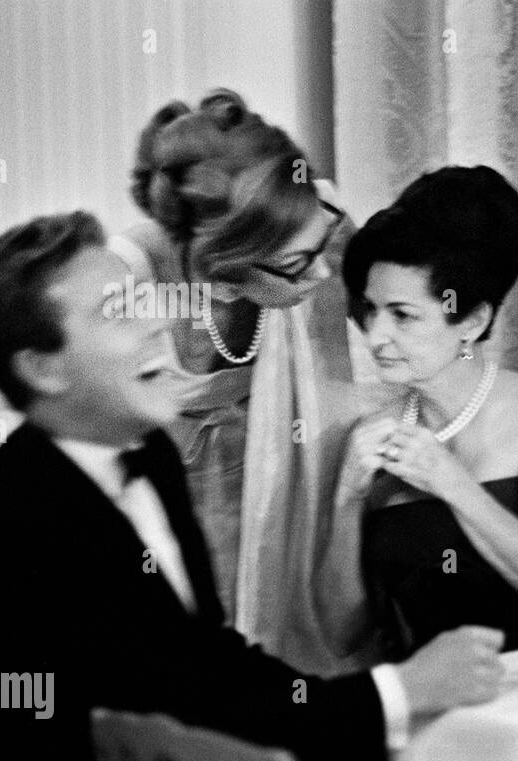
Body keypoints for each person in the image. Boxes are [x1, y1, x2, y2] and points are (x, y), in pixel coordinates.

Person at [0, 211, 504, 761]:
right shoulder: (23, 528)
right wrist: (395, 693)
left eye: (143, 297)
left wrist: (372, 695)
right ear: (44, 368)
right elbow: (193, 704)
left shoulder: (147, 450)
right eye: (116, 311)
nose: (157, 321)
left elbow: (207, 655)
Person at [111, 89, 389, 675]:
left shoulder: (310, 219)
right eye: (295, 266)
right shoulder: (136, 268)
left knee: (276, 657)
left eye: (318, 249)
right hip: (169, 481)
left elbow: (385, 292)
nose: (320, 273)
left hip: (271, 456)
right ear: (225, 270)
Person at [316, 166, 518, 662]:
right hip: (436, 710)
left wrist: (453, 484)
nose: (376, 335)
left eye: (403, 315)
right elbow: (341, 634)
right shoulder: (368, 435)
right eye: (370, 310)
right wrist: (346, 497)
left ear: (472, 320)